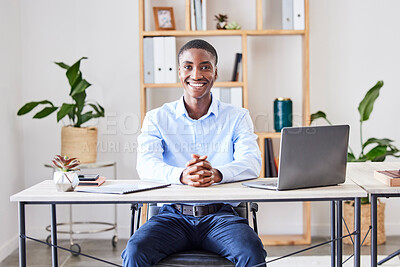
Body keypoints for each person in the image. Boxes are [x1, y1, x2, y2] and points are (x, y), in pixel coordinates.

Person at [121, 39, 267, 266]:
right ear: (179, 72)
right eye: (188, 66)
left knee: (251, 251)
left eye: (205, 67)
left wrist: (216, 174)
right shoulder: (157, 118)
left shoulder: (237, 116)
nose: (196, 75)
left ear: (215, 72)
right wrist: (182, 176)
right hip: (172, 216)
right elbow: (146, 165)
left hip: (220, 216)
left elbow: (252, 162)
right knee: (135, 251)